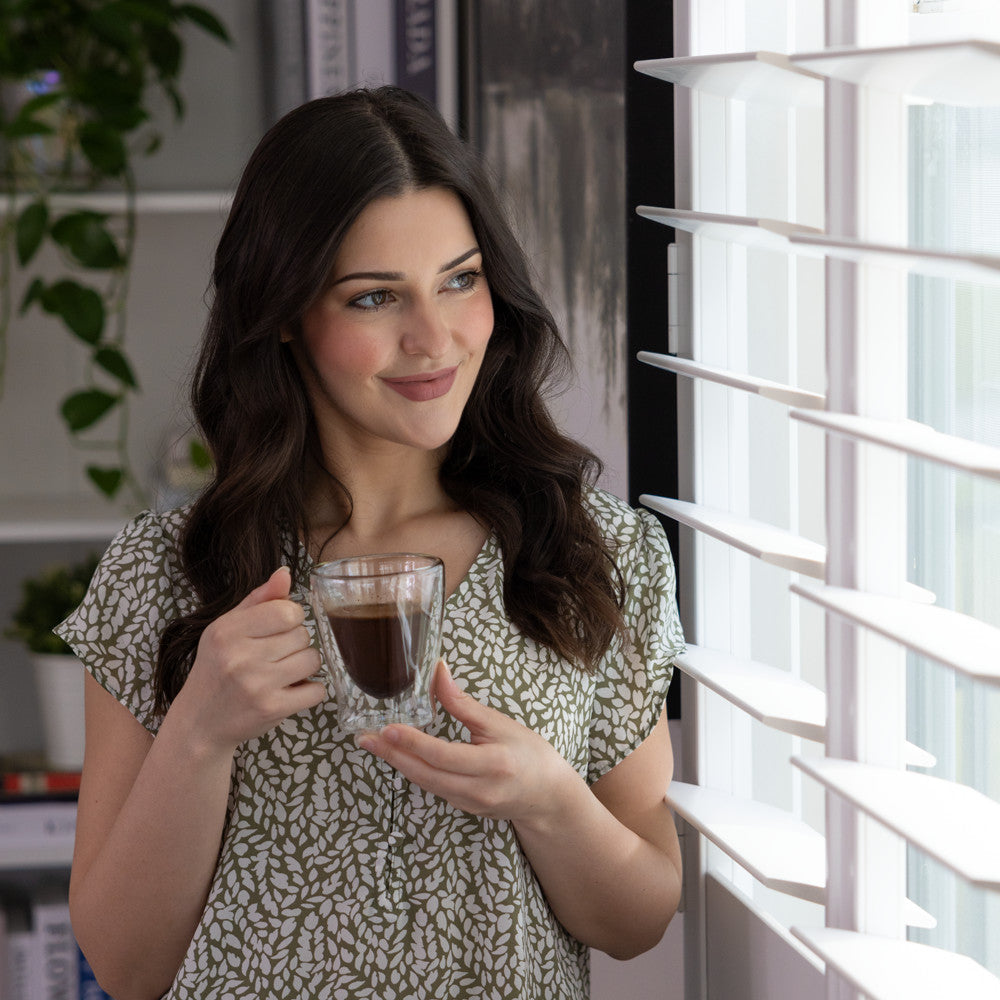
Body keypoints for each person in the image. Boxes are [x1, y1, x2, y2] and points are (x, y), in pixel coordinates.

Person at [56, 86, 685, 1000]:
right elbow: (124, 965)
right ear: (282, 312)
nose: (434, 340)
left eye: (460, 280)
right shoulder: (165, 576)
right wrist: (200, 729)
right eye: (373, 297)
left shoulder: (595, 554)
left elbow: (637, 921)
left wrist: (547, 800)